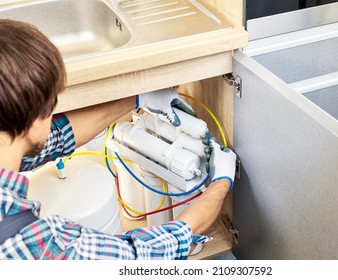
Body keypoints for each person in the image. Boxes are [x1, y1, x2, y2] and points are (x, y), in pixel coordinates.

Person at [0, 19, 237, 259]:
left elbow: (57, 137)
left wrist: (141, 98)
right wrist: (220, 183)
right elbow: (139, 257)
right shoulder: (35, 246)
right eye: (52, 107)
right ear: (33, 121)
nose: (54, 117)